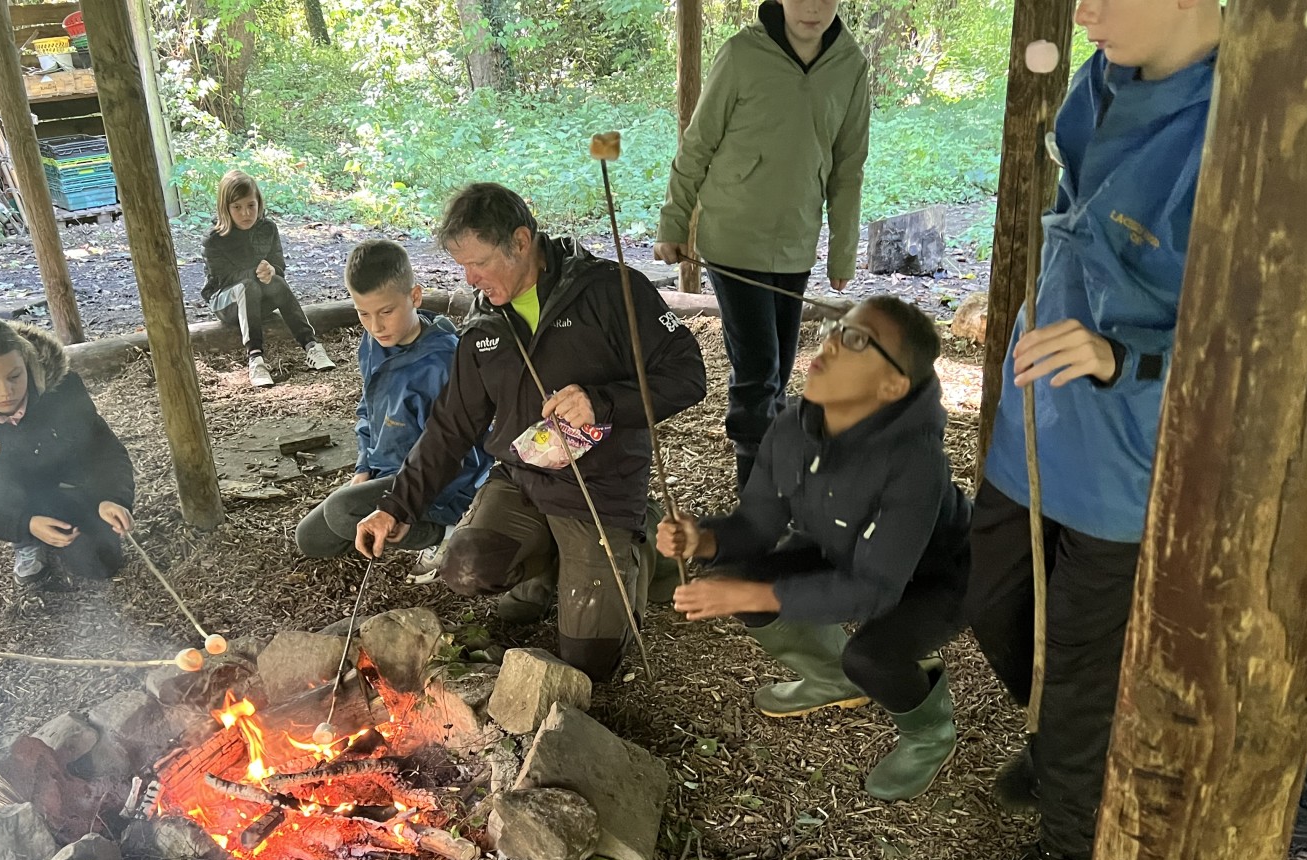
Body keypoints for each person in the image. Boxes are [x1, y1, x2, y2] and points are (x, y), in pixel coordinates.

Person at [957, 0, 1223, 860]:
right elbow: (1075, 203)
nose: (1085, 12)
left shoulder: (1242, 125)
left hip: (1132, 439)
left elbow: (1257, 337)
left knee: (1081, 652)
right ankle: (1069, 741)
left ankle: (1075, 850)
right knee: (994, 593)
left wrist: (1121, 358)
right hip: (1043, 408)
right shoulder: (1104, 74)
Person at [354, 182, 706, 682]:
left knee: (590, 665)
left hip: (599, 488)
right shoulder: (484, 322)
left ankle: (637, 543)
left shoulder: (609, 291)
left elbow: (689, 375)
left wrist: (602, 403)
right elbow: (452, 425)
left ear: (521, 241)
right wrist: (395, 506)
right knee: (468, 568)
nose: (470, 278)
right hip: (524, 479)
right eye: (461, 266)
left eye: (478, 263)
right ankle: (547, 568)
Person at [658, 297, 968, 798]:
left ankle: (928, 732)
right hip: (843, 547)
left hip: (939, 574)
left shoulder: (915, 461)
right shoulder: (794, 426)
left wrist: (751, 598)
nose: (829, 343)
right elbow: (758, 524)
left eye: (856, 340)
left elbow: (873, 591)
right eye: (835, 328)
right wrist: (704, 538)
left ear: (892, 387)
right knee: (738, 575)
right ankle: (829, 679)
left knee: (870, 657)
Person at [653, 0, 869, 491]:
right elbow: (698, 144)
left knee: (780, 367)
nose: (812, 8)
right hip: (733, 237)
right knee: (758, 370)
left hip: (796, 240)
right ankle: (754, 502)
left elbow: (848, 166)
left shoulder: (851, 66)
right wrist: (674, 221)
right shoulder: (741, 54)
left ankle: (773, 477)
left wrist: (842, 249)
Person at [294, 239, 490, 570]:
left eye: (386, 312)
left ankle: (445, 533)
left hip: (437, 485)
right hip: (387, 471)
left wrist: (406, 503)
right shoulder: (373, 343)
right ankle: (396, 522)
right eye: (363, 314)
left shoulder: (444, 363)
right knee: (311, 538)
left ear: (415, 296)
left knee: (341, 512)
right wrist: (362, 467)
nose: (376, 326)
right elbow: (368, 411)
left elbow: (461, 458)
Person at [0, 317, 136, 586]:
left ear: (29, 364)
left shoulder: (63, 388)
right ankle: (25, 541)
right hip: (8, 498)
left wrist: (111, 497)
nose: (5, 392)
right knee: (12, 508)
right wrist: (23, 524)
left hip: (64, 485)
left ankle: (66, 519)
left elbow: (104, 449)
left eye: (15, 376)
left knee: (101, 563)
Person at [201, 169, 336, 387]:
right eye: (237, 207)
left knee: (278, 283)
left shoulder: (268, 228)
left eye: (250, 206)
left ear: (259, 203)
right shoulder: (214, 239)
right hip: (226, 301)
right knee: (247, 287)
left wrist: (271, 270)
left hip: (259, 297)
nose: (245, 213)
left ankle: (311, 346)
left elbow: (279, 265)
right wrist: (257, 271)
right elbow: (222, 278)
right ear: (225, 208)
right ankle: (255, 358)